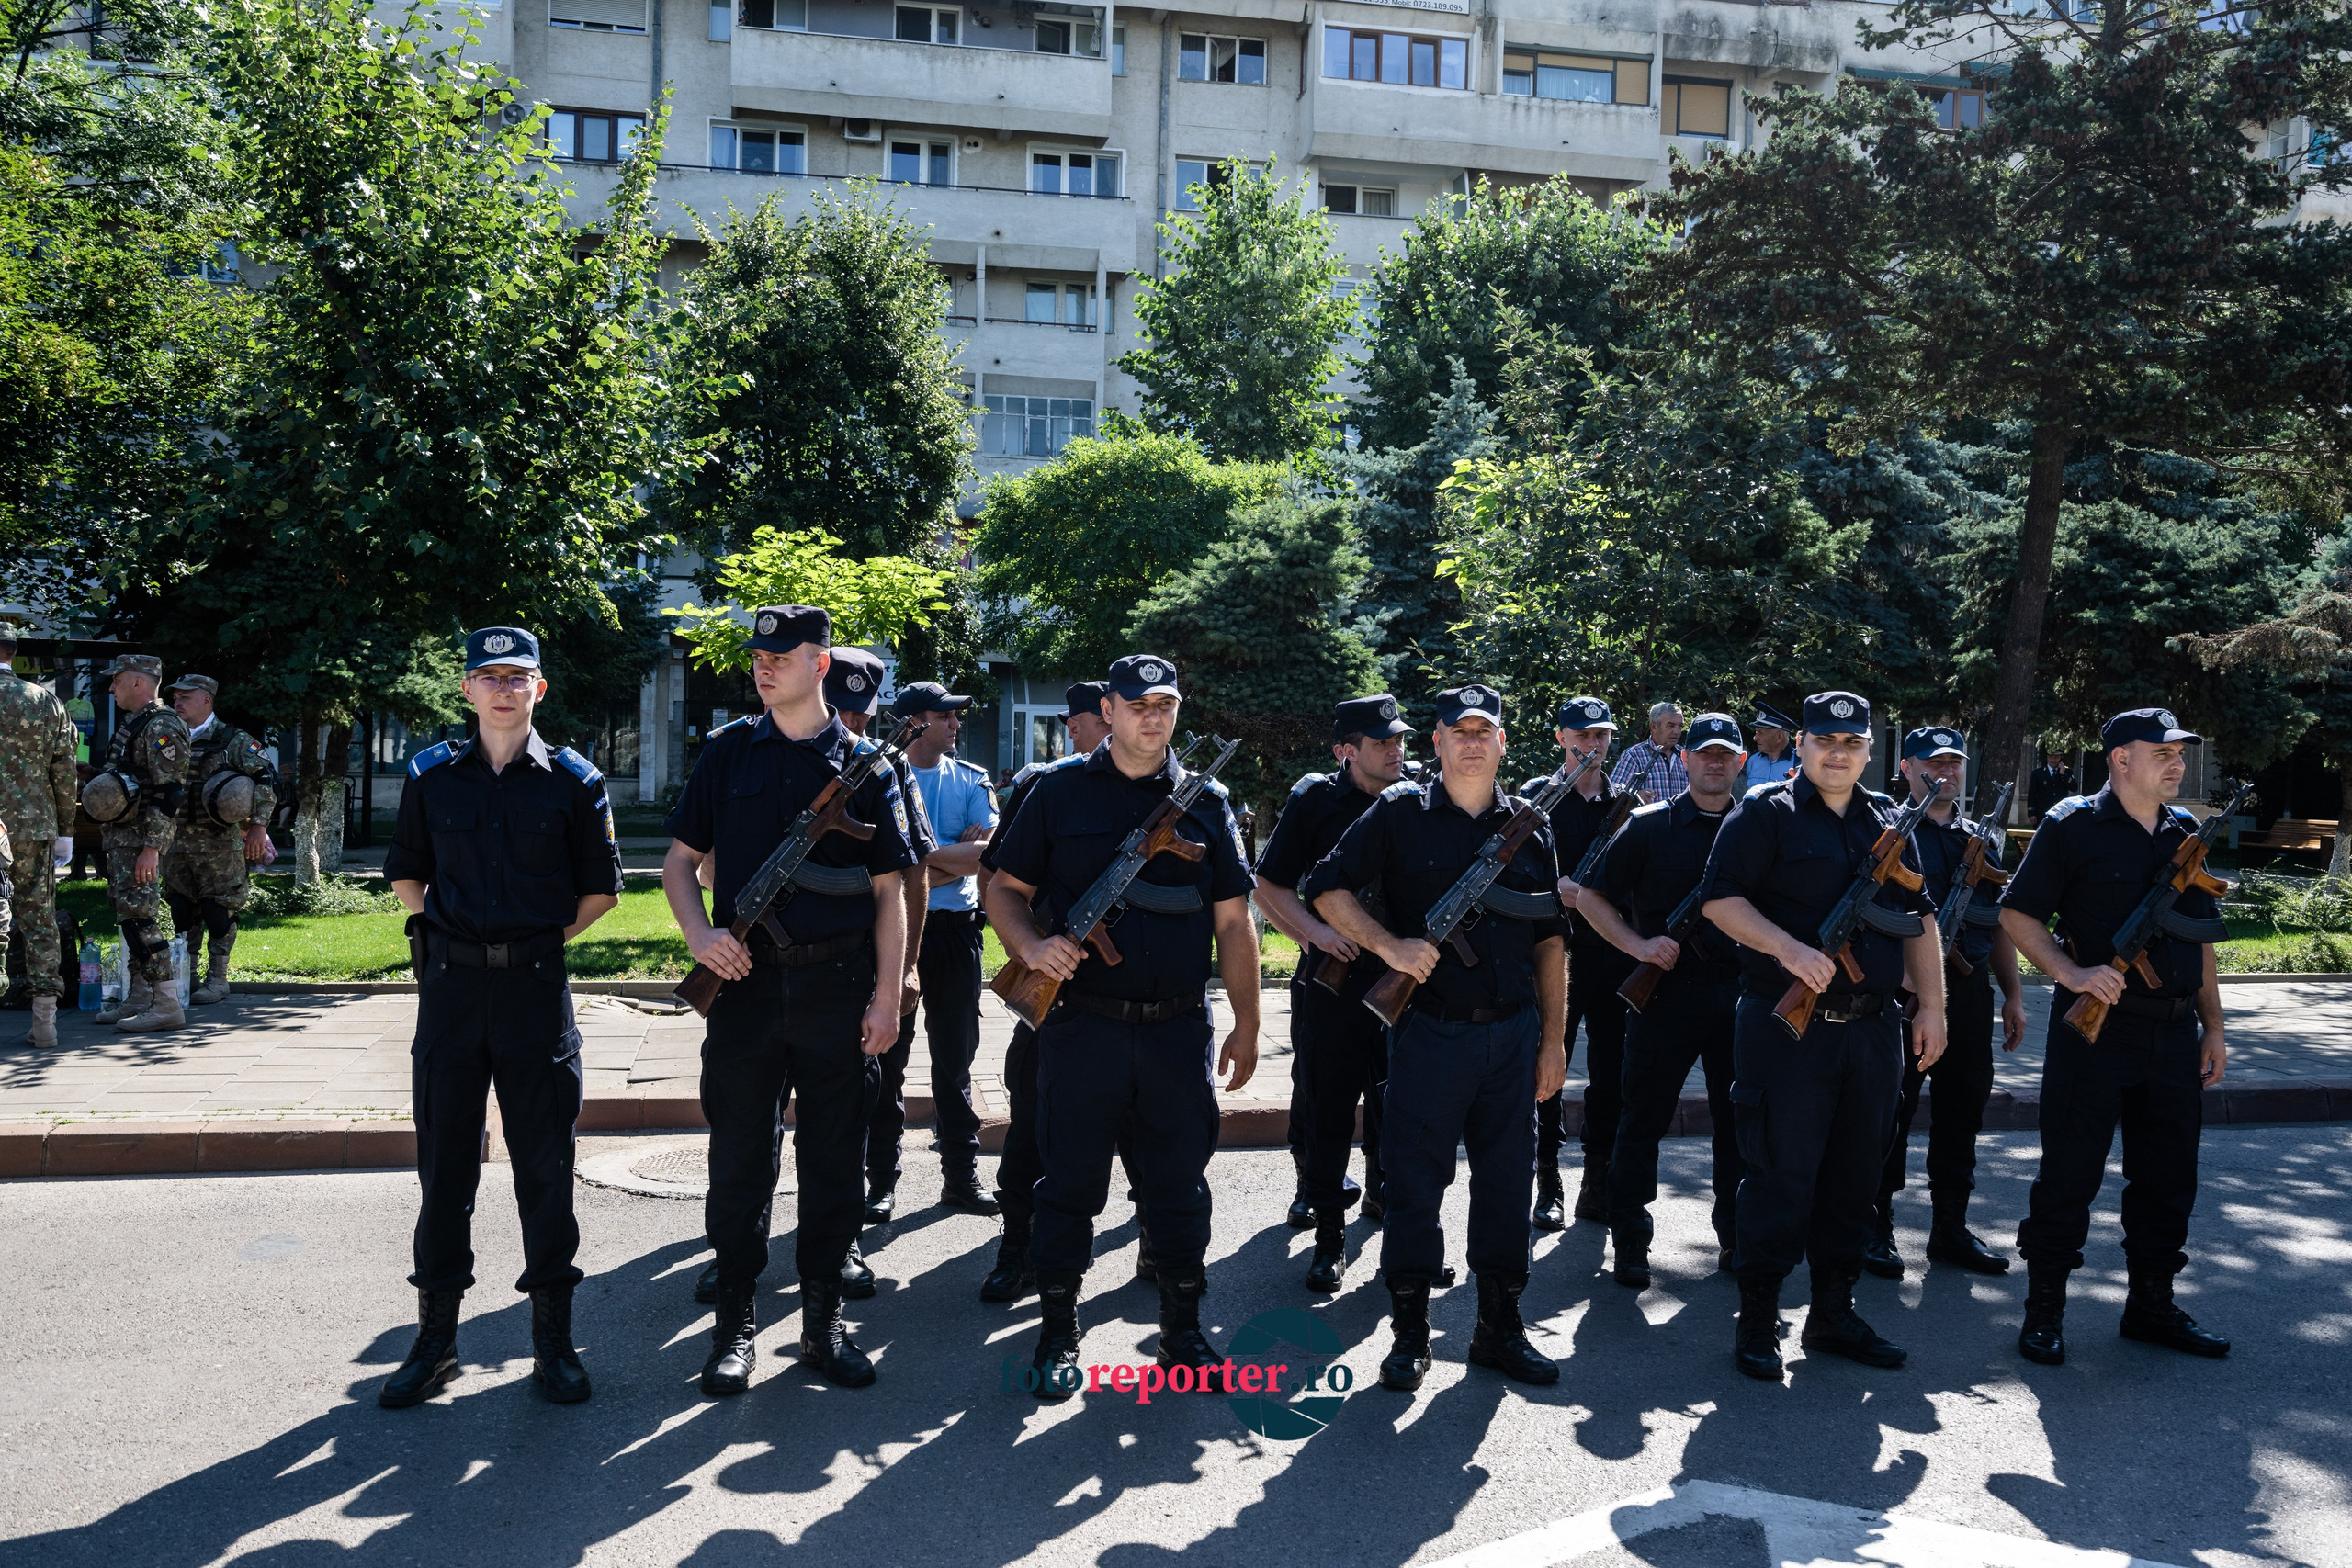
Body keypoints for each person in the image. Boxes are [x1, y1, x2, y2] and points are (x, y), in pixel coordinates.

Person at [984, 653, 1259, 1401]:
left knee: (1177, 1187)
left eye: (1166, 703)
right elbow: (1004, 889)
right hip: (1082, 1029)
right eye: (1138, 703)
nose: (1153, 715)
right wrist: (1031, 946)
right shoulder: (1056, 792)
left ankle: (1182, 1329)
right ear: (1108, 709)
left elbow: (1233, 922)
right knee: (1069, 1184)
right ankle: (1057, 1327)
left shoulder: (1208, 801)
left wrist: (1247, 1021)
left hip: (1175, 1032)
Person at [663, 606, 917, 1396]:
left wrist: (888, 995)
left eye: (782, 655)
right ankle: (734, 1325)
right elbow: (678, 864)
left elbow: (890, 891)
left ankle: (821, 1324)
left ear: (820, 663)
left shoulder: (870, 766)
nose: (764, 667)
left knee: (833, 1162)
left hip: (838, 989)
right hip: (743, 988)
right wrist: (701, 936)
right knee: (739, 1160)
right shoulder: (726, 754)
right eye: (758, 656)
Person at [379, 626, 623, 1408]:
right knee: (444, 1167)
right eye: (488, 675)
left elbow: (601, 891)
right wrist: (455, 935)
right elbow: (407, 875)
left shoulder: (575, 781)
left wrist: (535, 941)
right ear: (467, 690)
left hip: (533, 993)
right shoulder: (430, 776)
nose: (504, 688)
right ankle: (436, 1340)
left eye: (518, 676)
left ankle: (552, 1341)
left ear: (539, 689)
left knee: (546, 1170)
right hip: (450, 994)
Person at [1306, 682, 1569, 1393]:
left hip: (1514, 1037)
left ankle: (1498, 1327)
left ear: (1505, 743)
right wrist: (1390, 947)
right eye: (1461, 729)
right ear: (1439, 742)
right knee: (1417, 1183)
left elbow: (1550, 940)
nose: (1475, 741)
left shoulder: (1530, 825)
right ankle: (1410, 1332)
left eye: (1488, 730)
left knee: (1509, 1184)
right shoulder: (1398, 816)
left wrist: (1554, 1041)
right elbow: (1325, 890)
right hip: (1430, 1033)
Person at [1700, 690, 1947, 1382]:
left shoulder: (1891, 822)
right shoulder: (1763, 812)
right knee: (1779, 1172)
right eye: (1824, 740)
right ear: (1801, 745)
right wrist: (1787, 948)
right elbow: (1719, 900)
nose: (1838, 752)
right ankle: (1757, 1318)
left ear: (1871, 752)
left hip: (1872, 1032)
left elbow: (1920, 918)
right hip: (1786, 1028)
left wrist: (1933, 1007)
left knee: (1855, 1178)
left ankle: (1834, 1311)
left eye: (1853, 742)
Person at [2000, 707, 2233, 1367]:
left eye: (2180, 752)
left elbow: (2204, 940)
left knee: (2168, 1178)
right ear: (2120, 758)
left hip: (2172, 1035)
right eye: (2161, 751)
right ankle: (2044, 1310)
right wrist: (2071, 971)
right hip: (2095, 1037)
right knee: (2069, 1175)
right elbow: (2018, 913)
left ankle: (2151, 1306)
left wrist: (2213, 1024)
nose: (2175, 761)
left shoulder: (2183, 832)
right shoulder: (2072, 825)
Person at [975, 681, 1152, 1302]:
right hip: (1058, 995)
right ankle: (1017, 1244)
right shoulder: (1044, 786)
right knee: (1032, 1120)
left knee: (1142, 1122)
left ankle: (1156, 1234)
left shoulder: (1170, 795)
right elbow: (995, 875)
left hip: (1140, 1000)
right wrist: (1031, 945)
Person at [1576, 712, 1747, 1288]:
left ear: (1741, 762)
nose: (1715, 762)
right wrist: (1638, 945)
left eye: (1727, 753)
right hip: (1665, 996)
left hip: (1739, 995)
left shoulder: (1760, 827)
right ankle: (1629, 1241)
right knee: (1641, 1118)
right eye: (1704, 753)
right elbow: (1592, 897)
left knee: (1739, 1124)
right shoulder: (1648, 827)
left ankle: (1736, 1238)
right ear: (1684, 759)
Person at [1252, 694, 1413, 1292]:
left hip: (1404, 981)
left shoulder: (1418, 797)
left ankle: (1386, 1201)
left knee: (1398, 1103)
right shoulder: (1316, 799)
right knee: (1327, 1105)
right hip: (1335, 984)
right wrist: (1318, 932)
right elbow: (1268, 884)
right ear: (1346, 750)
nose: (1396, 750)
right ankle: (1329, 1236)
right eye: (1381, 742)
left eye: (1400, 740)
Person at [1866, 727, 2028, 1280]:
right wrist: (1907, 981)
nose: (1948, 773)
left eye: (1956, 763)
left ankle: (1950, 1229)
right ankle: (1876, 1224)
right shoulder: (1889, 832)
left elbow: (1998, 922)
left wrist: (2012, 995)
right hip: (1905, 995)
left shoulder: (1981, 841)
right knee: (1892, 1112)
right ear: (1907, 769)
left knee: (1962, 1111)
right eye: (1935, 763)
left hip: (1968, 993)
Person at [882, 678, 1000, 1216]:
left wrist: (913, 863)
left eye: (956, 716)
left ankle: (961, 1175)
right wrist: (947, 857)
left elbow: (986, 855)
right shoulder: (879, 778)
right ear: (914, 723)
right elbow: (870, 864)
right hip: (895, 933)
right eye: (945, 716)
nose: (956, 724)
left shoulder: (972, 779)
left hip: (955, 934)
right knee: (886, 1058)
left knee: (955, 1060)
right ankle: (880, 1179)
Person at [1539, 695, 1634, 1228]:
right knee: (1547, 1068)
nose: (1593, 745)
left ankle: (1597, 1181)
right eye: (1582, 736)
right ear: (1562, 739)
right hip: (1552, 957)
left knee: (1611, 1074)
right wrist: (1559, 893)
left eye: (1601, 735)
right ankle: (1547, 1178)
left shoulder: (1628, 806)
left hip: (1609, 958)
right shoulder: (1537, 801)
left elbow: (1641, 883)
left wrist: (1594, 899)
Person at [159, 675, 278, 1008]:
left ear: (206, 700)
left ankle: (218, 979)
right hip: (176, 840)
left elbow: (266, 780)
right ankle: (188, 974)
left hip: (219, 843)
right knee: (182, 909)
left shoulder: (232, 740)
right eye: (175, 698)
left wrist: (258, 827)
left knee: (218, 909)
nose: (178, 703)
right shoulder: (168, 738)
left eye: (185, 697)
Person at [86, 655, 191, 1034]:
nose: (110, 688)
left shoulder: (162, 726)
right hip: (122, 839)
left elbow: (170, 793)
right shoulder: (137, 724)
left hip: (139, 842)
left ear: (136, 682)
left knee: (141, 919)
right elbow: (132, 779)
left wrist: (152, 848)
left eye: (115, 681)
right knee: (129, 917)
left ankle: (166, 1003)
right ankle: (139, 996)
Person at [0, 625, 80, 1047]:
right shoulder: (45, 700)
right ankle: (44, 1019)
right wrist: (66, 829)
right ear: (13, 653)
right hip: (32, 827)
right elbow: (64, 771)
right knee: (38, 920)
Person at [1610, 701, 1688, 799]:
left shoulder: (1685, 756)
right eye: (1670, 725)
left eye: (1680, 726)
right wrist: (1636, 795)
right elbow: (1614, 792)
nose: (1677, 731)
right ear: (1653, 727)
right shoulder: (1634, 756)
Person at [1742, 706, 1799, 795]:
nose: (1755, 738)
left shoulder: (1798, 762)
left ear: (1779, 736)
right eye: (1756, 732)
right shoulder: (1754, 760)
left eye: (1760, 733)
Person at [2028, 748, 2074, 822]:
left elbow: (2074, 788)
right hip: (2042, 813)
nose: (2053, 760)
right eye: (2050, 757)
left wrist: (2064, 775)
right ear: (2047, 757)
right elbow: (2032, 794)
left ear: (2060, 757)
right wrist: (2031, 813)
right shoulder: (2037, 773)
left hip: (2060, 813)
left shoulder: (2067, 771)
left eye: (2056, 757)